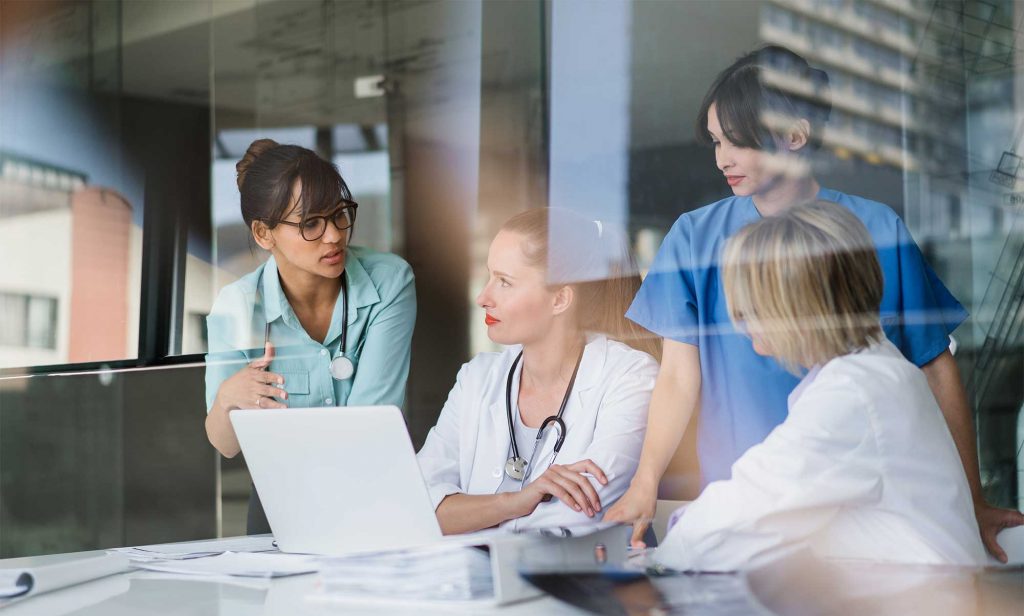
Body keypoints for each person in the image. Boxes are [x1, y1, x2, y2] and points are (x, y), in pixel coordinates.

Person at [604, 46, 1024, 560]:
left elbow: (935, 367)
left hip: (857, 515)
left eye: (737, 141)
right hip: (749, 505)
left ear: (795, 136)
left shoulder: (874, 233)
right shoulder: (695, 237)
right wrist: (646, 482)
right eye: (716, 142)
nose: (722, 159)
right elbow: (676, 377)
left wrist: (972, 500)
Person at [655, 200, 986, 570]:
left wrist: (662, 552)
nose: (742, 324)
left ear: (797, 308)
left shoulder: (852, 394)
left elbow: (733, 517)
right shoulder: (871, 371)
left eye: (752, 308)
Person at [204, 139, 416, 534]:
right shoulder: (236, 306)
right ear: (264, 234)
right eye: (311, 224)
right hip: (279, 504)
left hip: (371, 495)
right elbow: (225, 443)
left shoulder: (389, 281)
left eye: (339, 215)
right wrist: (228, 398)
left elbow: (369, 423)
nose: (334, 236)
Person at [416, 208, 659, 534]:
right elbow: (417, 505)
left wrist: (466, 515)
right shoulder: (477, 378)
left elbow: (579, 514)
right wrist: (515, 501)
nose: (483, 297)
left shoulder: (629, 377)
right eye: (489, 277)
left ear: (560, 299)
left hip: (571, 580)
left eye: (504, 282)